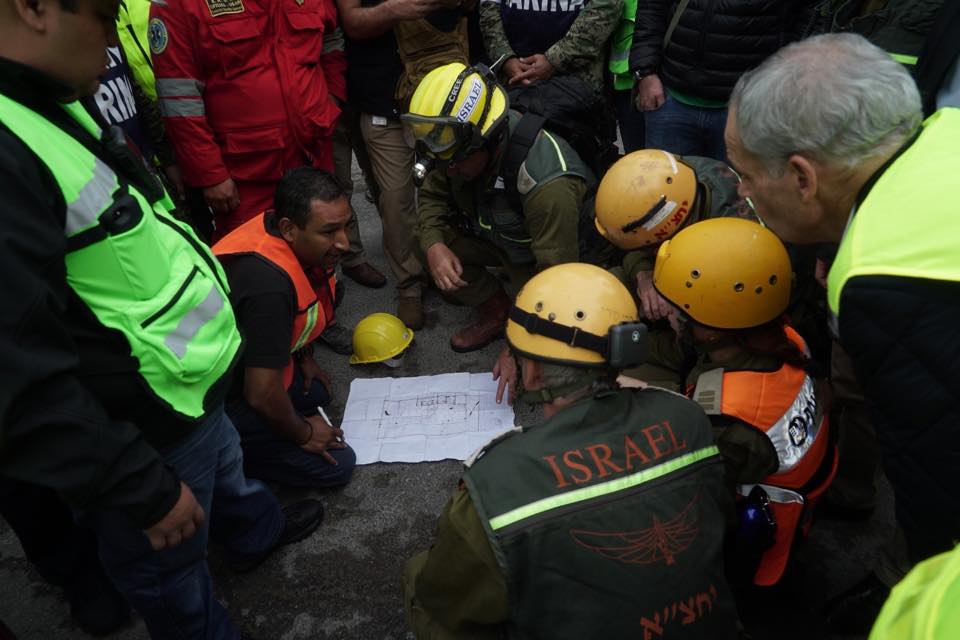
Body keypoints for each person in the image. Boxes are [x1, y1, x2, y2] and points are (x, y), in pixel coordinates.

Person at [0, 0, 323, 635]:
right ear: (34, 9)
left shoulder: (50, 97)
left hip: (189, 387)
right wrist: (135, 485)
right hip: (145, 423)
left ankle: (254, 531)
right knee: (169, 573)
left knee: (230, 470)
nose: (115, 44)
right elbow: (18, 373)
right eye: (102, 13)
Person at [725, 32, 960, 631]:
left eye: (747, 175)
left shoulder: (881, 282)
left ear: (803, 177)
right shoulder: (946, 132)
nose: (742, 193)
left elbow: (941, 496)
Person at [404, 263, 739, 638]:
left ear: (532, 375)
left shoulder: (498, 483)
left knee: (423, 592)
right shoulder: (687, 417)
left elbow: (443, 597)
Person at [650, 218, 837, 586]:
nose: (672, 315)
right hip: (801, 490)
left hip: (753, 540)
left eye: (680, 310)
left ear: (714, 326)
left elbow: (698, 500)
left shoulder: (730, 416)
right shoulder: (788, 339)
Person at [404, 62, 593, 352]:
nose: (449, 172)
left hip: (553, 258)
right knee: (425, 240)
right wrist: (433, 247)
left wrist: (516, 349)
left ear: (488, 141)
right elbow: (433, 198)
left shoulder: (546, 182)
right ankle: (496, 311)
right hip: (505, 240)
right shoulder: (451, 147)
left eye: (454, 164)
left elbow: (555, 280)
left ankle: (518, 323)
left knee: (551, 333)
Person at [151, 0, 352, 244]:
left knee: (321, 247)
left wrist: (331, 98)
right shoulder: (179, 4)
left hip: (313, 153)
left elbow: (331, 38)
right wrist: (210, 174)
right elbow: (178, 99)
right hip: (246, 174)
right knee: (256, 259)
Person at [213, 168, 357, 488]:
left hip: (247, 367)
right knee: (339, 465)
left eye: (347, 226)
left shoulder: (276, 230)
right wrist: (305, 433)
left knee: (316, 392)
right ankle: (234, 458)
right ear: (289, 229)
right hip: (222, 399)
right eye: (330, 231)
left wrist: (303, 355)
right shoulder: (268, 288)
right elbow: (261, 393)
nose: (344, 243)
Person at [335, 0, 470, 329]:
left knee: (454, 187)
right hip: (381, 98)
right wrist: (400, 7)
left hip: (442, 90)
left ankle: (451, 271)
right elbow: (352, 21)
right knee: (396, 200)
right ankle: (410, 286)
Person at [629, 0, 810, 160]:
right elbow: (651, 7)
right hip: (671, 101)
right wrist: (645, 72)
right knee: (664, 194)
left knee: (740, 195)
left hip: (749, 112)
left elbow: (808, 20)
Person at [593, 148, 754, 320]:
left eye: (650, 247)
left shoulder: (736, 228)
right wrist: (643, 273)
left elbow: (734, 298)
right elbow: (634, 248)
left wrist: (678, 304)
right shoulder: (672, 178)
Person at [478, 0, 621, 94]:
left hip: (576, 87)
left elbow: (607, 6)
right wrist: (505, 58)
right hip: (512, 82)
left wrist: (554, 59)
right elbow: (488, 8)